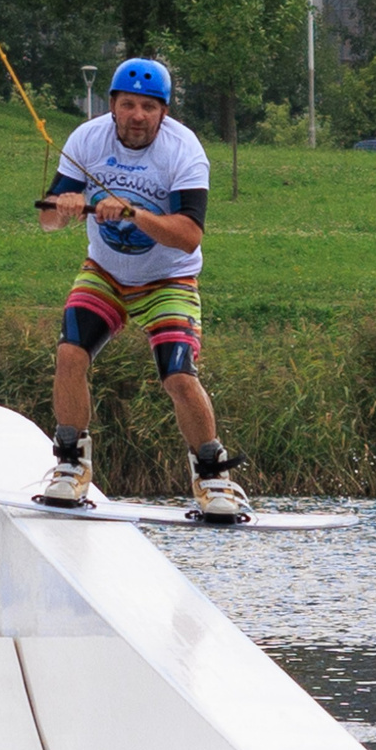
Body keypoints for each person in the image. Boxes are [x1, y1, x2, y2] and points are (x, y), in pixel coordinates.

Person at [32, 58, 248, 520]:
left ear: (163, 112)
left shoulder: (184, 151)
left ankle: (213, 477)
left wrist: (133, 214)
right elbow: (47, 220)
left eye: (148, 107)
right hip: (105, 274)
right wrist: (64, 205)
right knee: (70, 354)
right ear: (111, 106)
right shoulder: (86, 139)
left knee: (178, 376)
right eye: (127, 105)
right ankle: (70, 467)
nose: (137, 116)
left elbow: (189, 234)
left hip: (168, 278)